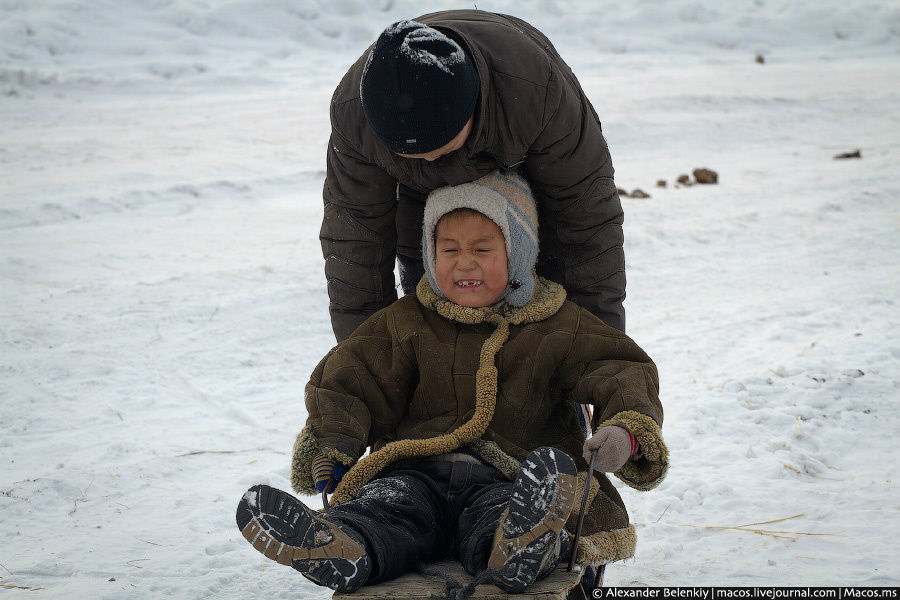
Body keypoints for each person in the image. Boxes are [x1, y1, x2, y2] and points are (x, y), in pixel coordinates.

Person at [237, 172, 667, 593]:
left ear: (517, 254)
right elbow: (350, 380)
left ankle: (519, 544)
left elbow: (620, 368)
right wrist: (334, 443)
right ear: (429, 255)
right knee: (387, 507)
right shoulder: (407, 320)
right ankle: (343, 545)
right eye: (449, 249)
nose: (465, 262)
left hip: (510, 475)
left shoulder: (558, 324)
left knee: (497, 516)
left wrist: (626, 431)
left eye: (483, 249)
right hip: (416, 470)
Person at [322, 10, 626, 343]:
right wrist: (368, 362)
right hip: (422, 208)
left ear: (470, 107)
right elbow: (355, 240)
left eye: (440, 148)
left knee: (545, 325)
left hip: (529, 202)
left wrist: (598, 349)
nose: (429, 160)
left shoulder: (535, 92)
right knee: (432, 329)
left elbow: (586, 222)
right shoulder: (355, 114)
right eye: (412, 157)